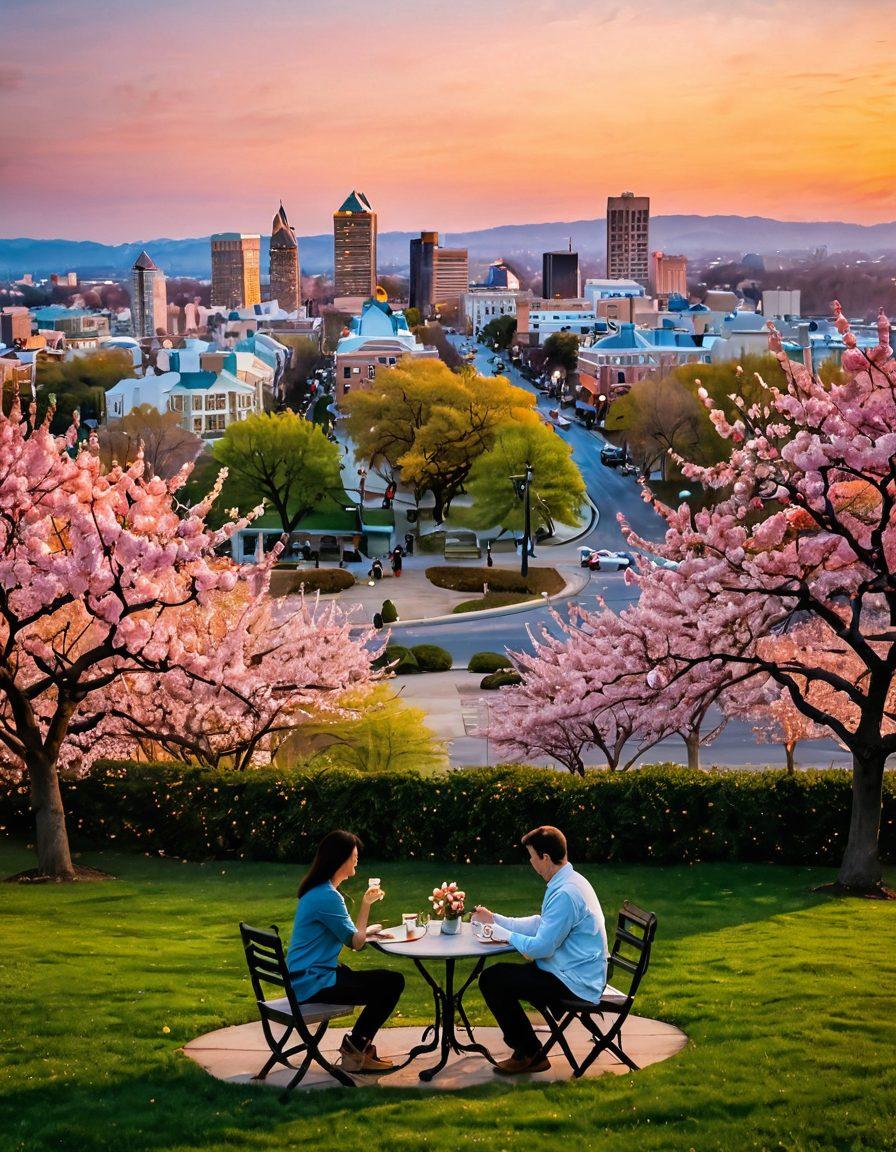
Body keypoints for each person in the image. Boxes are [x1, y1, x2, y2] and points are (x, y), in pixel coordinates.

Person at [473, 826, 607, 1075]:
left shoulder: (566, 892)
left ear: (545, 858)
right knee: (498, 976)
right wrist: (495, 920)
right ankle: (528, 1051)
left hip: (574, 981)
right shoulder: (570, 880)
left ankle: (530, 1054)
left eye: (532, 856)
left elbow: (541, 947)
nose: (531, 862)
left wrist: (500, 934)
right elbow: (540, 923)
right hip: (572, 971)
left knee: (494, 979)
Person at [286, 830, 404, 1073]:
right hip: (314, 983)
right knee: (391, 983)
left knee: (384, 982)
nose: (357, 860)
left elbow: (348, 933)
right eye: (354, 855)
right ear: (340, 859)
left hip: (304, 977)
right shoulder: (328, 896)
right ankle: (355, 1050)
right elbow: (355, 942)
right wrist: (366, 905)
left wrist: (368, 932)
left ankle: (357, 1047)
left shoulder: (317, 891)